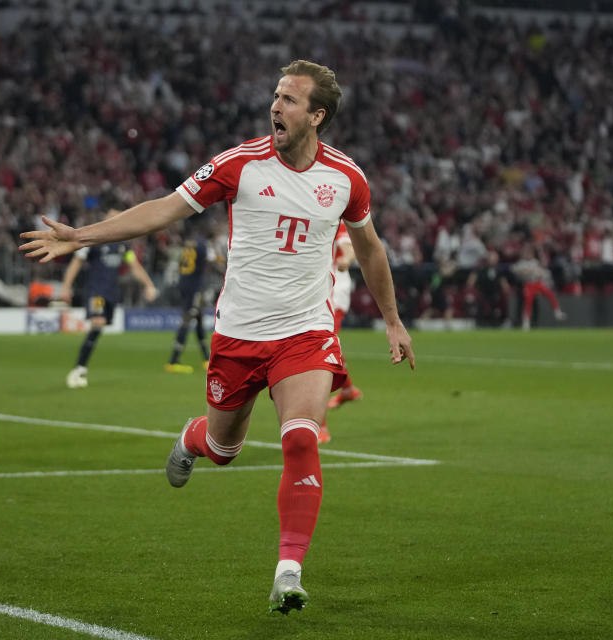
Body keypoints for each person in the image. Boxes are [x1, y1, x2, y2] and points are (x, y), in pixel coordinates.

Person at [21, 60, 415, 613]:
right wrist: (82, 237)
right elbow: (165, 209)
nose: (275, 106)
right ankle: (192, 438)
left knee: (301, 437)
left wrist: (393, 319)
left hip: (305, 332)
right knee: (225, 449)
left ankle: (288, 570)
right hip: (238, 335)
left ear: (317, 115)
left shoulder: (346, 178)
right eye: (275, 96)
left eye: (289, 99)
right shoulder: (240, 164)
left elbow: (370, 248)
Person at [62, 205, 159, 389]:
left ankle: (80, 368)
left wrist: (148, 284)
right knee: (97, 324)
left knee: (99, 328)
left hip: (111, 293)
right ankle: (79, 369)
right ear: (105, 218)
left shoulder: (123, 244)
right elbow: (76, 262)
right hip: (96, 292)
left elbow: (134, 266)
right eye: (113, 217)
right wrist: (66, 286)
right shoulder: (93, 239)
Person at [320, 221, 362, 444]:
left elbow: (347, 245)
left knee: (320, 350)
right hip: (319, 289)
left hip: (334, 290)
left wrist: (346, 259)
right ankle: (347, 389)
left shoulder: (332, 215)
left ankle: (320, 426)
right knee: (327, 347)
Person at [164, 220, 221, 374]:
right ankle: (173, 361)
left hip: (184, 283)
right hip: (194, 286)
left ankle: (206, 359)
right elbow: (212, 260)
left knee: (198, 317)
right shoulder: (204, 244)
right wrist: (222, 262)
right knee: (189, 317)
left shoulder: (189, 243)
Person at [511, 244, 566, 330]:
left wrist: (534, 271)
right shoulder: (521, 263)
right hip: (528, 284)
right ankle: (526, 322)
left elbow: (541, 270)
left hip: (537, 282)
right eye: (526, 253)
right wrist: (528, 271)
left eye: (529, 253)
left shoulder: (534, 262)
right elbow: (514, 269)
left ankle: (557, 312)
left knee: (550, 294)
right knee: (528, 302)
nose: (528, 255)